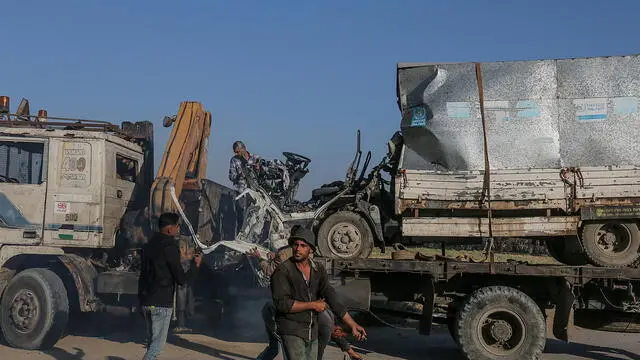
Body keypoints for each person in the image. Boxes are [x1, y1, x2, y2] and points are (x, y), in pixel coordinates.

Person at [270, 226, 367, 360]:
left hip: (312, 331)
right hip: (291, 329)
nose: (298, 249)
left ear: (311, 249)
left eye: (303, 245)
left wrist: (353, 324)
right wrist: (312, 305)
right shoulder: (283, 271)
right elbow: (282, 304)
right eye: (295, 245)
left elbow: (332, 297)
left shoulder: (318, 270)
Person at [249, 245, 363, 360]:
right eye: (341, 335)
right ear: (338, 329)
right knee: (287, 349)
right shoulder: (326, 326)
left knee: (277, 348)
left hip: (273, 310)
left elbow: (335, 334)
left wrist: (350, 351)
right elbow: (319, 354)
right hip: (274, 316)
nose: (339, 337)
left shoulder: (327, 318)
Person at [138, 212, 202, 360]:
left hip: (146, 301)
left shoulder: (148, 246)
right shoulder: (170, 246)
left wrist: (141, 300)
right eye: (177, 226)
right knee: (156, 347)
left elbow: (142, 276)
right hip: (161, 303)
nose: (178, 229)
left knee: (151, 344)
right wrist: (195, 266)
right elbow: (180, 279)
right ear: (169, 229)